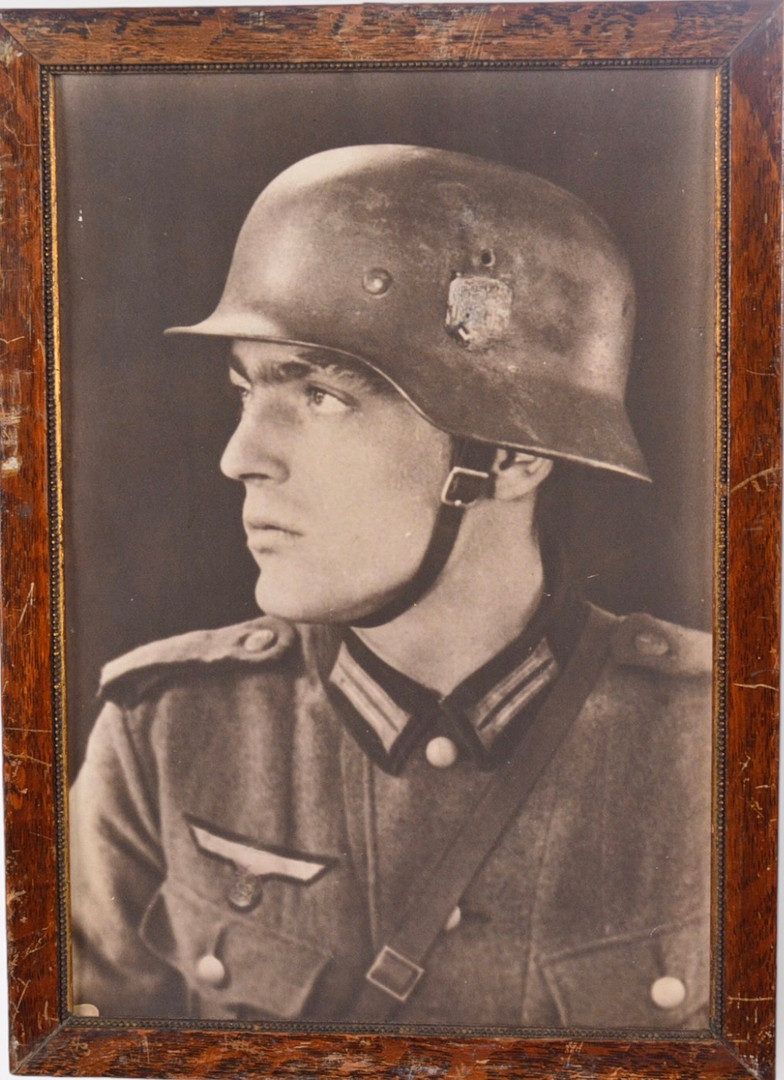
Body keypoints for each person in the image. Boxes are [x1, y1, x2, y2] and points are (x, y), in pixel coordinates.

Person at [69, 144, 711, 1029]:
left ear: (513, 454)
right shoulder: (165, 736)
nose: (241, 457)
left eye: (321, 395)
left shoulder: (721, 741)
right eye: (245, 391)